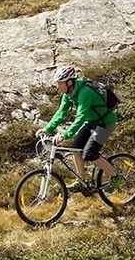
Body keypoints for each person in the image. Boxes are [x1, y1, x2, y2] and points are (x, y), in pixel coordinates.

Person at [36, 65, 124, 193]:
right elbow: (61, 112)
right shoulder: (68, 94)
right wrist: (47, 129)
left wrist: (65, 134)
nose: (57, 86)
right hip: (91, 122)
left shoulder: (85, 92)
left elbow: (81, 116)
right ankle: (81, 181)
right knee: (75, 150)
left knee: (89, 154)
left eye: (60, 83)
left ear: (69, 82)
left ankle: (116, 177)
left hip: (104, 123)